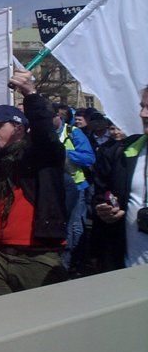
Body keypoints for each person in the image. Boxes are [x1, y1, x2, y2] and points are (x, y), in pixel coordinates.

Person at [0, 71, 69, 298]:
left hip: (37, 256)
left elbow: (45, 133)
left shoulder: (41, 155)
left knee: (41, 320)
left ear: (18, 129)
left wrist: (30, 94)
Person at [90, 85, 148, 270]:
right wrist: (106, 210)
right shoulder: (123, 152)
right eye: (142, 106)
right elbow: (104, 194)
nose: (143, 114)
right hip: (130, 270)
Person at [51, 103, 96, 272]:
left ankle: (72, 262)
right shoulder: (39, 133)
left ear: (58, 117)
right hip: (53, 187)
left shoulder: (73, 133)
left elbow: (89, 158)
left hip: (76, 186)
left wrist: (65, 154)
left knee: (75, 226)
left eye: (49, 119)